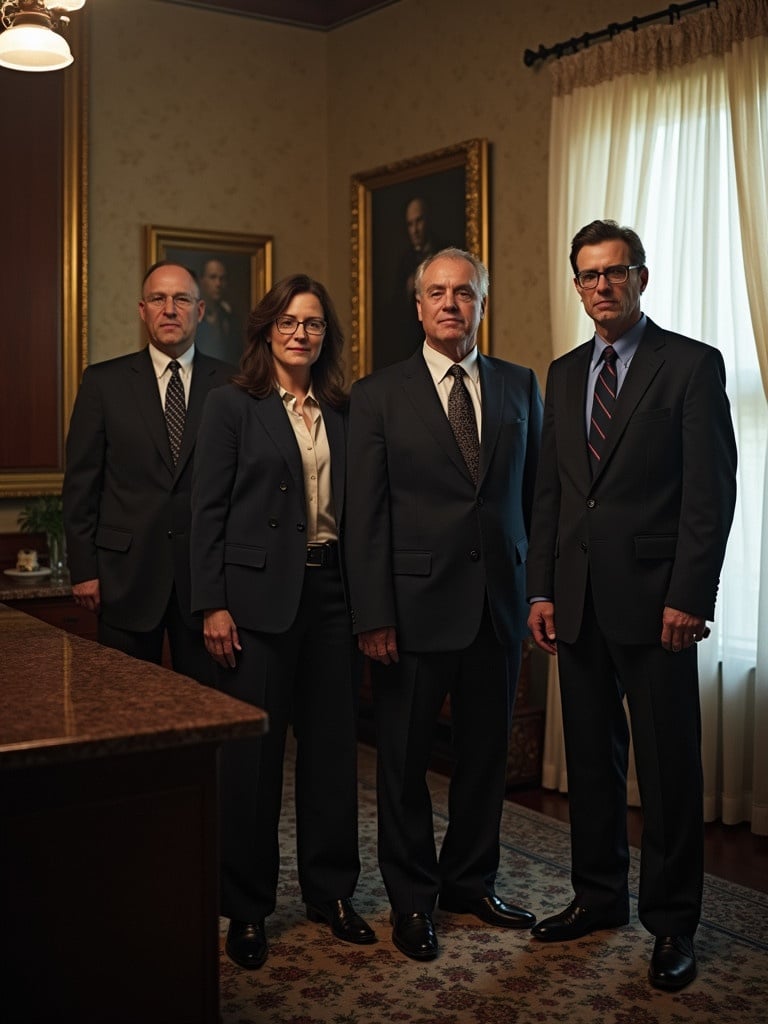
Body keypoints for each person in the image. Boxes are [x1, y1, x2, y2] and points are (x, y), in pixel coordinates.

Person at [526, 220, 737, 991]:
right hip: (576, 604)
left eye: (616, 272)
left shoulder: (690, 366)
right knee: (590, 763)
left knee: (669, 769)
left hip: (657, 609)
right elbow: (551, 491)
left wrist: (689, 595)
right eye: (588, 275)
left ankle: (674, 925)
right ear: (576, 285)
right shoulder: (563, 371)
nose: (602, 286)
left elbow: (710, 496)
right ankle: (598, 897)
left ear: (641, 278)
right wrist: (542, 588)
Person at [346, 247, 543, 961]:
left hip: (497, 606)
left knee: (485, 758)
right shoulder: (377, 394)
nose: (451, 304)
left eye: (464, 292)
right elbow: (364, 515)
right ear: (419, 307)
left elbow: (533, 502)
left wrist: (536, 589)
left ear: (482, 302)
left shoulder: (521, 386)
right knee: (400, 763)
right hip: (411, 609)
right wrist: (373, 615)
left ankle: (469, 882)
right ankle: (412, 900)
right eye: (437, 292)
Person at [190, 274, 374, 970]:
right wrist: (213, 602)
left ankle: (331, 895)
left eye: (316, 324)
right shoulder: (232, 406)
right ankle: (246, 907)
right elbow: (205, 511)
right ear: (267, 329)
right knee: (253, 763)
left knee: (331, 756)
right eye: (291, 321)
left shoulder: (344, 410)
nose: (302, 333)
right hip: (255, 603)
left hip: (332, 597)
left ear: (327, 337)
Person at [62, 261, 233, 685]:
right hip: (124, 580)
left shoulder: (234, 384)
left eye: (181, 299)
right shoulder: (103, 383)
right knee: (119, 705)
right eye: (158, 299)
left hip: (207, 585)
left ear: (201, 311)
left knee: (208, 714)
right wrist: (84, 569)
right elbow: (82, 483)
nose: (169, 309)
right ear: (143, 310)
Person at [196, 257, 243, 365]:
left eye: (222, 278)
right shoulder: (191, 315)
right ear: (201, 280)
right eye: (213, 277)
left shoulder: (230, 317)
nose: (218, 284)